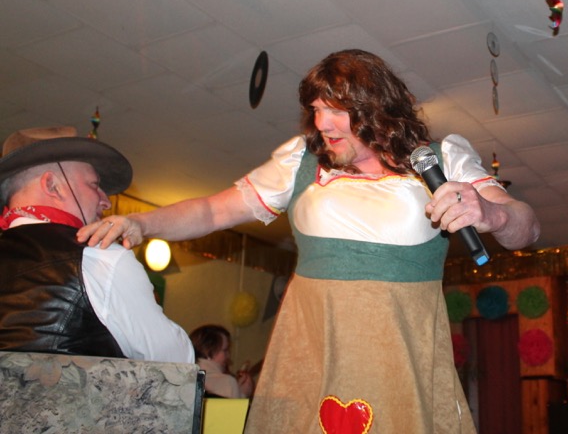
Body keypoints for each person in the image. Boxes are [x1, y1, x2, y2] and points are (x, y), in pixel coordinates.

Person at [78, 49, 540, 433]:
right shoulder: (301, 161)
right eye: (316, 109)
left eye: (335, 109)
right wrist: (142, 224)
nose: (322, 122)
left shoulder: (440, 159)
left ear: (376, 106)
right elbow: (214, 210)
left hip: (400, 359)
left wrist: (491, 213)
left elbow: (527, 227)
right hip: (309, 354)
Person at [0, 126, 193, 362]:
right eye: (94, 185)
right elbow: (177, 362)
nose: (106, 202)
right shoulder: (100, 256)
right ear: (52, 186)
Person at [190, 324, 254, 398]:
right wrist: (243, 394)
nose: (228, 355)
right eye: (225, 350)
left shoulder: (186, 380)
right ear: (208, 352)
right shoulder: (227, 382)